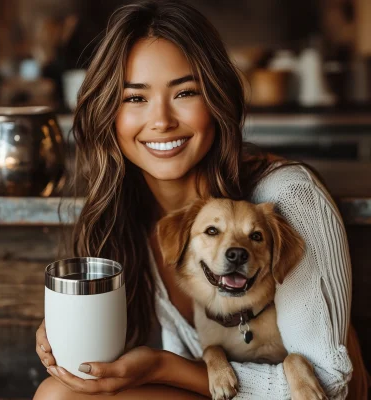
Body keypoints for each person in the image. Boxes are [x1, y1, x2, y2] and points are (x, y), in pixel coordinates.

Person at [33, 0, 366, 399]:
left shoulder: (287, 197)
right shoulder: (127, 214)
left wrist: (165, 367)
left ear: (217, 99)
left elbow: (332, 386)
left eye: (185, 92)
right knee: (59, 392)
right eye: (135, 98)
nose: (161, 121)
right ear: (109, 113)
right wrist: (67, 339)